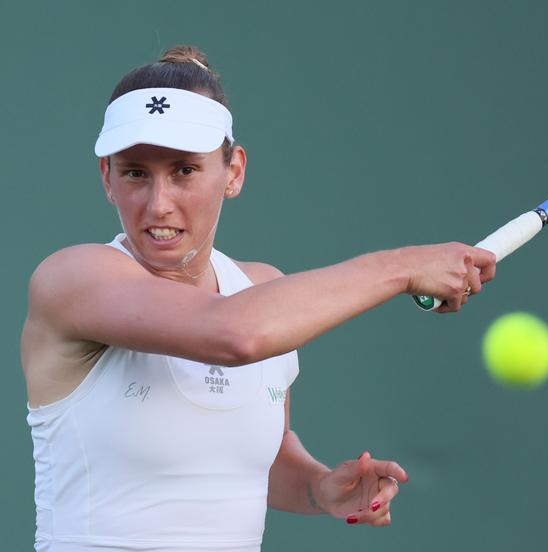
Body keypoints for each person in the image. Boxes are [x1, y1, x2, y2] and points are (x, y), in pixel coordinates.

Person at [21, 45, 496, 551]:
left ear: (234, 172)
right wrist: (401, 267)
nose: (159, 203)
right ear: (107, 179)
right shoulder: (72, 280)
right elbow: (232, 334)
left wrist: (318, 488)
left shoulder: (263, 291)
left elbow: (257, 457)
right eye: (136, 172)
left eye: (184, 170)